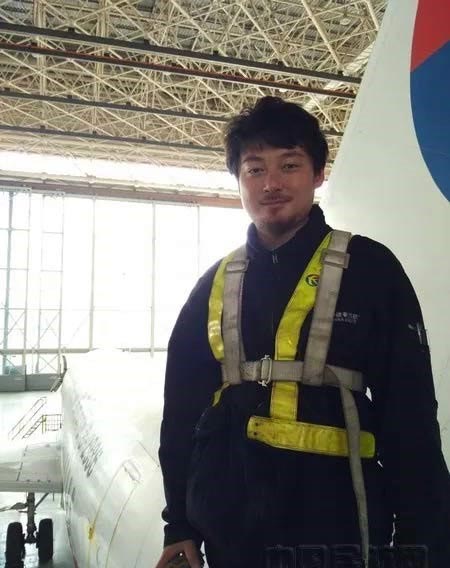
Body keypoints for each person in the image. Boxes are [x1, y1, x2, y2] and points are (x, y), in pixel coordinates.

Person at [155, 96, 450, 568]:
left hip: (337, 527)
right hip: (232, 533)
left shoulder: (370, 269)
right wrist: (180, 526)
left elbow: (410, 414)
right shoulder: (214, 284)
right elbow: (181, 414)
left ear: (318, 174)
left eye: (289, 165)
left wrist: (425, 539)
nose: (271, 183)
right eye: (254, 170)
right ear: (239, 181)